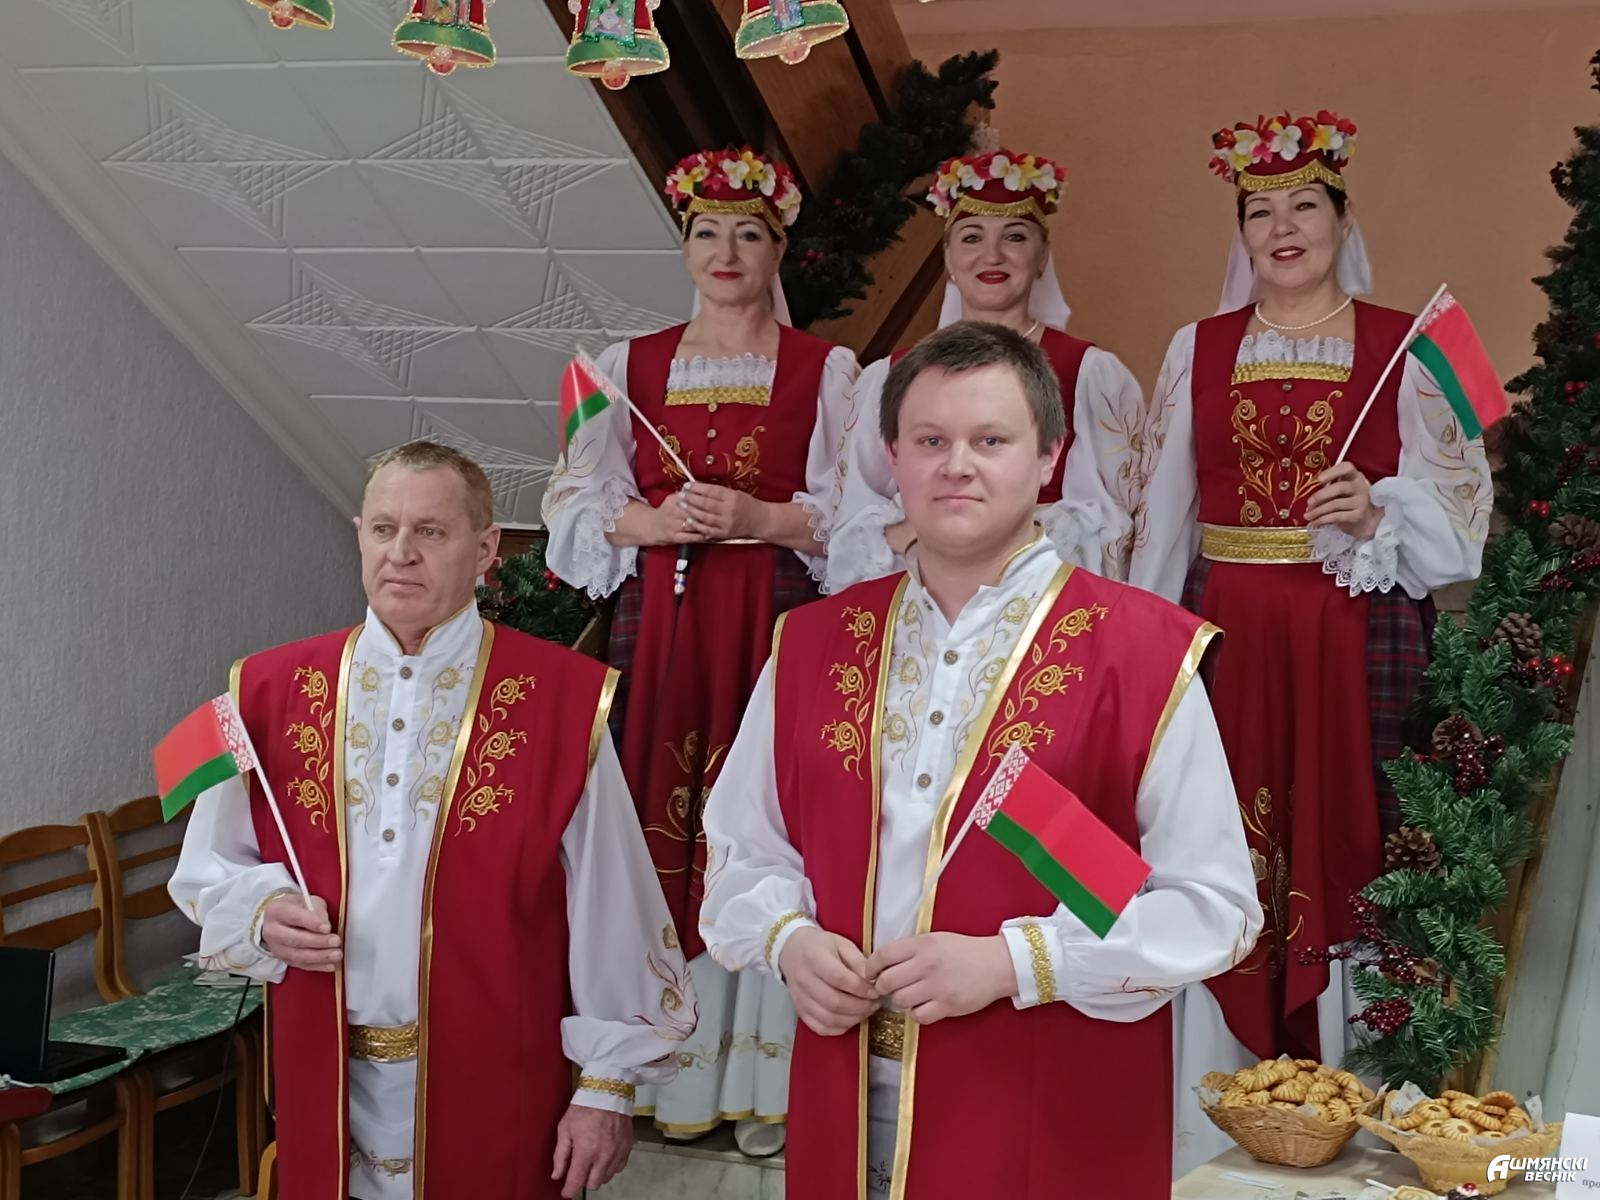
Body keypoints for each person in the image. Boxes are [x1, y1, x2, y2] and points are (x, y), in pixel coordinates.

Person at [699, 321, 1262, 1198]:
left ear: (1049, 458)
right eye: (930, 441)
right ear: (893, 458)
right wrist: (789, 940)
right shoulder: (810, 643)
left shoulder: (1144, 652)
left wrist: (1015, 963)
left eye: (990, 440)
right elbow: (743, 851)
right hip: (840, 1096)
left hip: (1046, 1113)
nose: (956, 465)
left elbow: (1213, 909)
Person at [169, 442, 696, 1200]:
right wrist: (262, 911)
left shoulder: (561, 700)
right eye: (383, 529)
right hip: (326, 1072)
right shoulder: (269, 689)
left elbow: (611, 898)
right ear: (360, 536)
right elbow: (209, 866)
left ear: (485, 549)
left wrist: (606, 1086)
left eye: (431, 531)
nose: (401, 553)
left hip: (498, 1077)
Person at [1129, 111, 1492, 1173]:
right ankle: (1217, 1097)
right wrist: (1143, 652)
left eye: (1303, 205)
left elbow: (1458, 520)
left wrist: (1378, 513)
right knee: (1217, 832)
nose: (1282, 227)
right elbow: (1161, 518)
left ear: (1342, 218)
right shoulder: (1196, 348)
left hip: (1351, 634)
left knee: (1352, 835)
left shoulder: (1405, 348)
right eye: (1260, 211)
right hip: (1228, 637)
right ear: (1240, 232)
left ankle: (1355, 1090)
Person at [540, 147, 857, 1152]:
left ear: (779, 249)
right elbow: (576, 502)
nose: (726, 252)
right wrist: (654, 520)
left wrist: (759, 517)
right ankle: (648, 1076)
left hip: (772, 625)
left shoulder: (828, 372)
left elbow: (858, 517)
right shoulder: (623, 366)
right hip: (667, 628)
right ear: (683, 248)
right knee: (651, 821)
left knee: (767, 820)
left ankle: (763, 1079)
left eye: (749, 233)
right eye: (706, 233)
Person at [826, 145, 1146, 593]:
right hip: (919, 594)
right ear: (948, 258)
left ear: (1042, 256)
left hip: (1038, 597)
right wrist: (925, 534)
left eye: (1014, 237)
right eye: (972, 237)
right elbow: (856, 513)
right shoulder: (889, 375)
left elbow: (1114, 520)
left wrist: (990, 538)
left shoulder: (1088, 373)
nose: (992, 256)